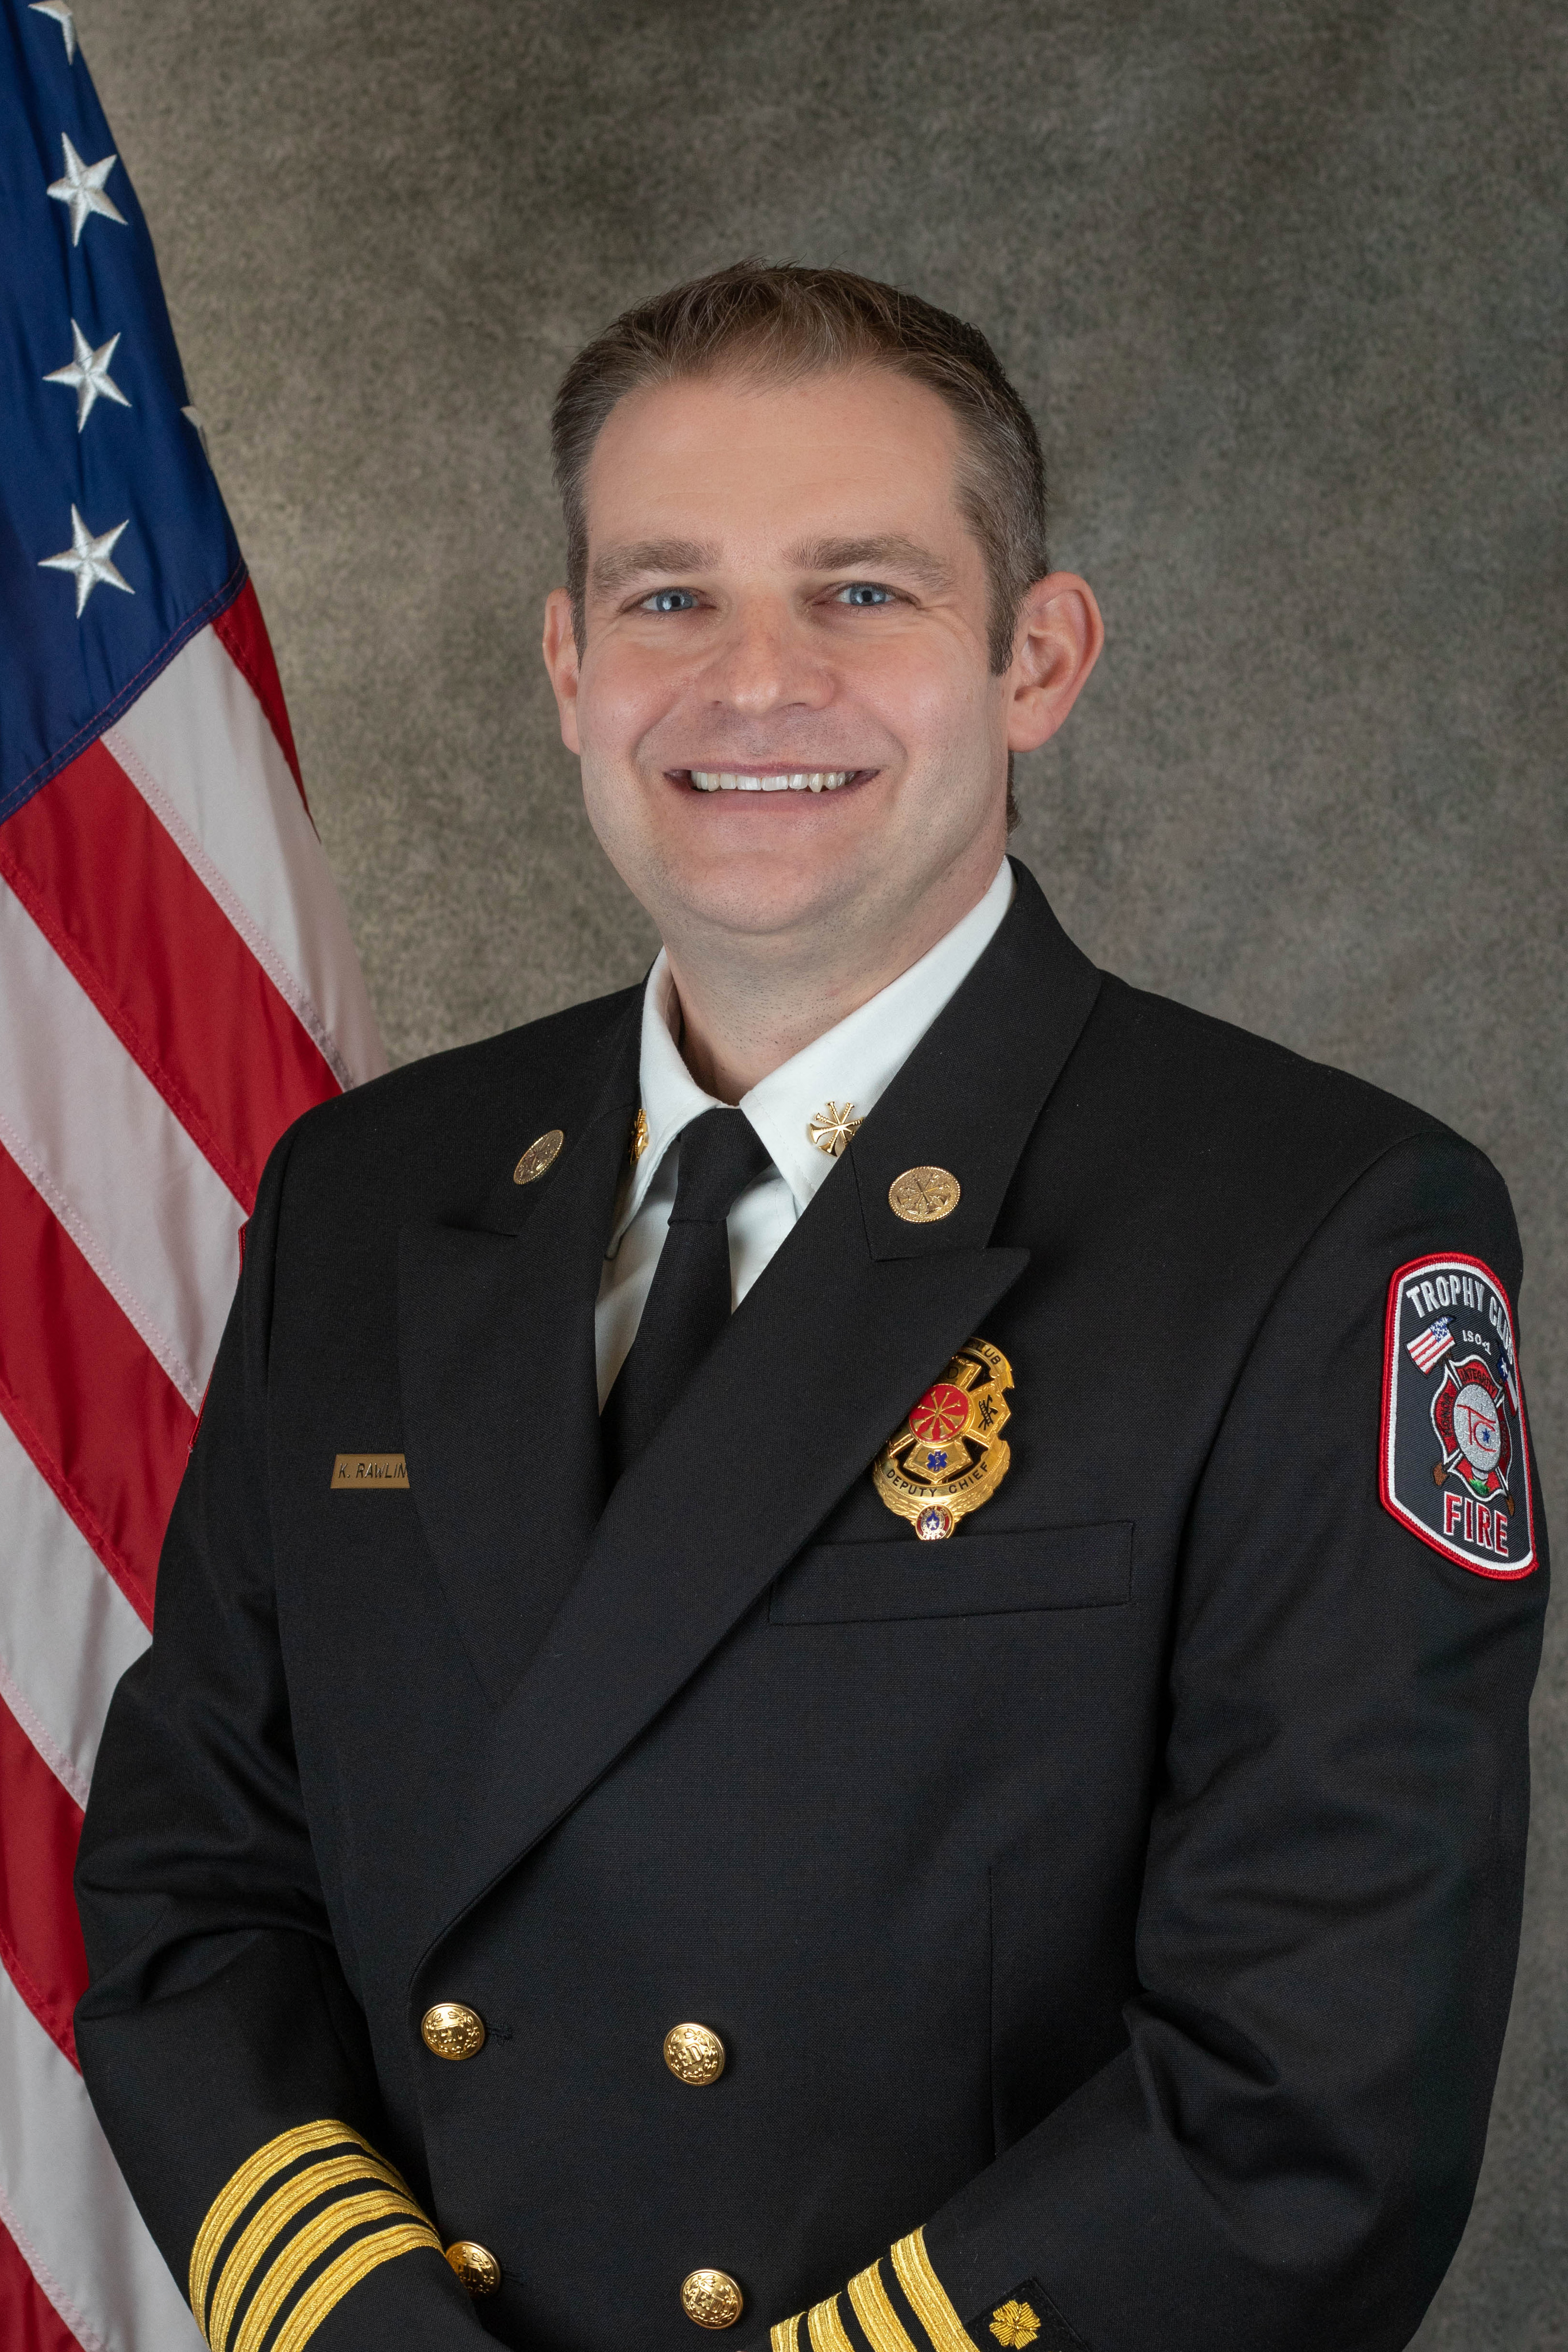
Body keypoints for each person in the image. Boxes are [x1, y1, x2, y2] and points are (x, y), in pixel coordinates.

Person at [75, 263, 1546, 2352]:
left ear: (1037, 659)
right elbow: (196, 1883)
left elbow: (1311, 2094)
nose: (753, 683)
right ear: (570, 665)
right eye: (669, 597)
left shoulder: (1319, 1231)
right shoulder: (369, 1197)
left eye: (862, 591)